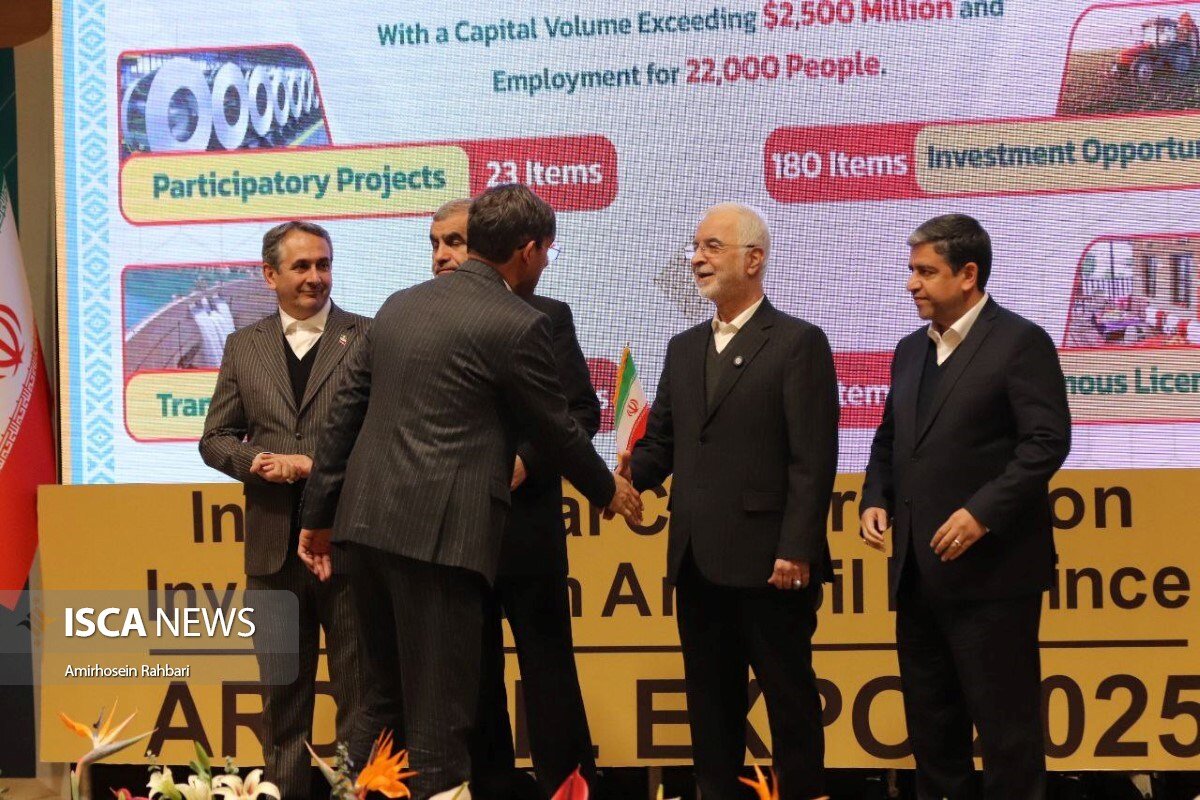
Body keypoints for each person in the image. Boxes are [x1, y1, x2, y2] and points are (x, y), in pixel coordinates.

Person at [298, 184, 643, 799]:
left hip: (365, 531)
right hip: (441, 541)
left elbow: (343, 417)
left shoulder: (398, 306)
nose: (545, 263)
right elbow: (556, 427)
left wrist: (318, 515)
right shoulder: (515, 321)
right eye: (546, 252)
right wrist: (608, 490)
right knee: (440, 724)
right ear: (529, 250)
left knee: (379, 707)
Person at [624, 203, 838, 800]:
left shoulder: (798, 343)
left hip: (773, 565)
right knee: (710, 713)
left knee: (790, 706)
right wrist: (626, 477)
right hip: (697, 563)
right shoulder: (682, 347)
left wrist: (797, 548)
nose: (696, 258)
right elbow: (661, 443)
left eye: (712, 247)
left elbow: (812, 459)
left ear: (753, 259)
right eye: (695, 247)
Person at [860, 213, 1071, 799]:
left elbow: (1046, 442)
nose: (912, 284)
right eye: (912, 270)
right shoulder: (909, 351)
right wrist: (875, 497)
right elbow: (889, 441)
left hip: (993, 577)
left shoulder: (1019, 342)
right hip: (917, 575)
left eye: (926, 272)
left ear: (968, 274)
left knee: (1007, 739)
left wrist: (982, 513)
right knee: (933, 738)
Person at [428, 198, 603, 798]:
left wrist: (526, 461)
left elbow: (581, 412)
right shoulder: (420, 319)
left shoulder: (546, 316)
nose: (443, 255)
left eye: (454, 241)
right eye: (435, 244)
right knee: (474, 681)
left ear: (483, 247)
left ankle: (568, 789)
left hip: (528, 532)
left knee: (549, 674)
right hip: (455, 531)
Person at [199, 220, 372, 798]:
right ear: (270, 275)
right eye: (302, 266)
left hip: (347, 547)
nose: (316, 277)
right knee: (281, 704)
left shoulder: (367, 337)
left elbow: (382, 438)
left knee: (360, 700)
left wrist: (306, 464)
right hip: (272, 553)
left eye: (323, 264)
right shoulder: (243, 346)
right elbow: (214, 439)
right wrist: (255, 461)